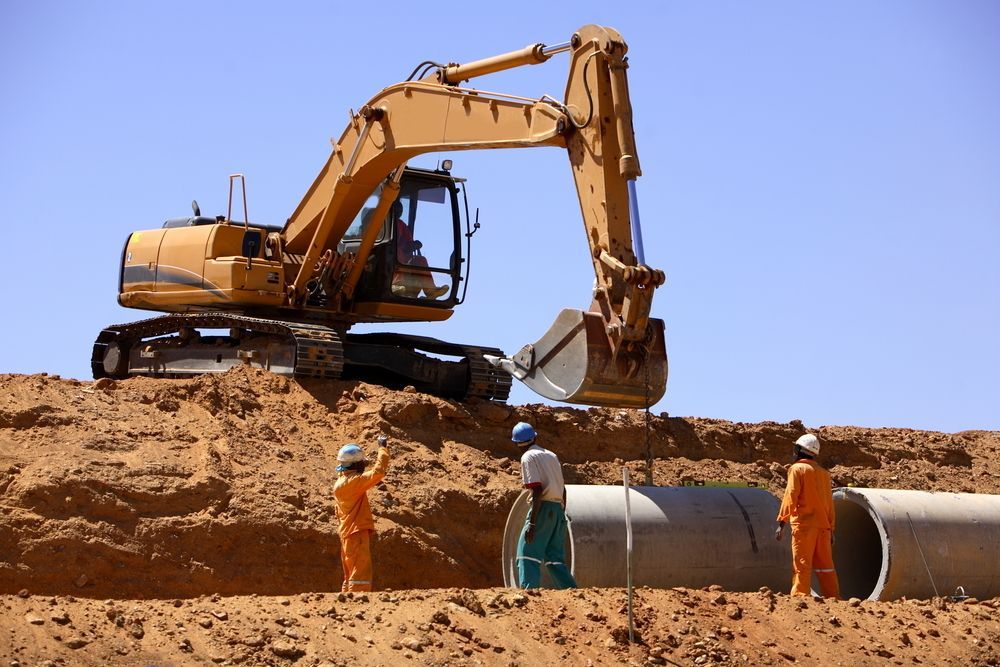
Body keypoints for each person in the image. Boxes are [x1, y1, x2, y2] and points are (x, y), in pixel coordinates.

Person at [511, 421, 578, 590]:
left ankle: (529, 595)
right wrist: (561, 511)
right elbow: (563, 489)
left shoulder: (528, 457)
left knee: (526, 554)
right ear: (534, 437)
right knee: (554, 559)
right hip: (557, 509)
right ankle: (571, 592)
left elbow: (537, 490)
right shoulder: (551, 455)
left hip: (542, 509)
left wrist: (532, 523)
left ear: (518, 444)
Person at [775, 433, 840, 598]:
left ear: (799, 450)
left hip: (804, 525)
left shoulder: (797, 469)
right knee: (826, 566)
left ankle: (800, 596)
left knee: (802, 563)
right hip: (823, 527)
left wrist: (782, 521)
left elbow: (791, 495)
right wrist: (831, 528)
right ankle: (833, 597)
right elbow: (829, 503)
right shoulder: (824, 474)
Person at [333, 436, 390, 592]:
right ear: (356, 464)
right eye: (361, 463)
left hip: (346, 533)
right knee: (360, 572)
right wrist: (382, 448)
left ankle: (348, 602)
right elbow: (379, 471)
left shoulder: (340, 482)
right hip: (356, 532)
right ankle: (360, 600)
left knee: (350, 572)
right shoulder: (353, 482)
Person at [390, 200, 449, 299]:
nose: (399, 212)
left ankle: (431, 290)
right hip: (386, 257)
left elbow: (409, 242)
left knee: (420, 260)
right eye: (396, 209)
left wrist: (415, 244)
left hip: (402, 257)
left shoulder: (401, 225)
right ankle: (395, 284)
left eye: (400, 210)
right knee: (397, 254)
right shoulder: (382, 223)